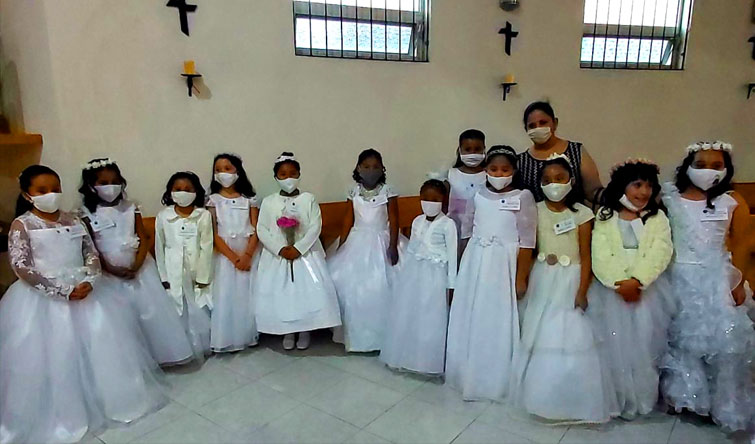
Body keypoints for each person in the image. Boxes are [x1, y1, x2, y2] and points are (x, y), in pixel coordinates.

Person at [0, 165, 166, 443]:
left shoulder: (73, 219)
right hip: (45, 299)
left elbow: (91, 254)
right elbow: (21, 266)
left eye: (55, 188)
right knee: (57, 354)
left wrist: (91, 279)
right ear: (27, 194)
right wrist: (61, 290)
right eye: (42, 190)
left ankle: (108, 402)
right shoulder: (23, 224)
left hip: (86, 292)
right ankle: (65, 414)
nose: (51, 194)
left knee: (100, 348)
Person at [511, 154, 614, 424]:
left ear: (571, 181)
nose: (553, 184)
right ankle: (541, 394)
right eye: (547, 180)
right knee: (541, 333)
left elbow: (586, 256)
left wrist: (582, 290)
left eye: (559, 178)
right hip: (543, 278)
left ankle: (571, 398)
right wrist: (522, 278)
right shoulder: (534, 209)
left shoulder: (582, 214)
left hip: (571, 280)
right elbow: (528, 246)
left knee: (570, 335)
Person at [660, 141, 754, 432]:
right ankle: (687, 397)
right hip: (679, 275)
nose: (707, 171)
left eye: (716, 166)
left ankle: (725, 402)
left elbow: (743, 243)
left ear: (726, 170)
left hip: (718, 278)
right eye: (700, 165)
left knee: (724, 342)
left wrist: (738, 281)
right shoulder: (671, 198)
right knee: (683, 339)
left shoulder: (732, 201)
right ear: (687, 167)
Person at [78, 158, 195, 366]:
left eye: (115, 181)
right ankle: (130, 361)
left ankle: (158, 355)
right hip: (107, 271)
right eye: (103, 183)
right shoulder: (85, 213)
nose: (110, 187)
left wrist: (138, 264)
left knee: (150, 312)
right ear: (91, 185)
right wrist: (110, 268)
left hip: (139, 267)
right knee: (120, 317)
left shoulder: (131, 207)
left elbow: (143, 236)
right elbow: (90, 246)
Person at [445, 145, 536, 401]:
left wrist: (521, 276)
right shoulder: (479, 195)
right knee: (474, 312)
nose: (498, 174)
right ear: (486, 170)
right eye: (493, 169)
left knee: (497, 315)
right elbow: (468, 230)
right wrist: (462, 263)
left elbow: (528, 240)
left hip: (504, 264)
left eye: (504, 170)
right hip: (477, 260)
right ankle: (467, 372)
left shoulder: (523, 197)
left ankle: (496, 377)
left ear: (514, 171)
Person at [588, 159, 673, 419]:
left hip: (646, 291)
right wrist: (618, 282)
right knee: (613, 345)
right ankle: (618, 398)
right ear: (622, 186)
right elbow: (600, 252)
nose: (644, 192)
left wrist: (638, 281)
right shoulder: (606, 215)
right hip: (612, 292)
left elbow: (661, 250)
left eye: (649, 186)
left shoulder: (657, 218)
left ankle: (642, 399)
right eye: (637, 185)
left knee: (644, 345)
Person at [255, 152, 342, 350]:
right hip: (279, 255)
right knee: (284, 294)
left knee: (306, 292)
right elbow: (262, 229)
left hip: (306, 254)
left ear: (299, 174)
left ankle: (305, 330)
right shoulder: (269, 202)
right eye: (283, 174)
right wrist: (280, 249)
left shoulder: (308, 199)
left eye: (293, 174)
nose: (289, 178)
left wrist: (299, 248)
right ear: (276, 177)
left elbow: (315, 226)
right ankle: (287, 331)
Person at [381, 179, 457, 375]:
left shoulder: (448, 224)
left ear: (443, 200)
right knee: (411, 312)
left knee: (431, 316)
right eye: (425, 198)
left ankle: (428, 361)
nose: (430, 203)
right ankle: (408, 356)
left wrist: (452, 285)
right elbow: (413, 248)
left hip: (436, 276)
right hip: (415, 273)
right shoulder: (417, 221)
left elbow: (452, 256)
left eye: (435, 199)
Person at [329, 149, 401, 352]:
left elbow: (394, 219)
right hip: (357, 240)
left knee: (384, 285)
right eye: (367, 166)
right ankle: (357, 335)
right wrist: (342, 244)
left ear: (382, 169)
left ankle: (384, 336)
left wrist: (393, 245)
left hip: (382, 239)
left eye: (376, 166)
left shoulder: (388, 191)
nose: (371, 170)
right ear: (359, 168)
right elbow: (348, 219)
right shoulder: (353, 192)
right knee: (349, 284)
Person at [155, 171, 213, 360]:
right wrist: (163, 277)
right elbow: (159, 247)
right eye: (178, 189)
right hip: (173, 270)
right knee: (178, 308)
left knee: (199, 306)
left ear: (196, 192)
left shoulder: (203, 215)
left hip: (196, 269)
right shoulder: (163, 216)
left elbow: (207, 246)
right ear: (170, 192)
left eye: (188, 189)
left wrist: (203, 276)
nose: (183, 193)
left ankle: (202, 344)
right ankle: (183, 348)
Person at [207, 153, 260, 353]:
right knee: (226, 294)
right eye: (218, 170)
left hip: (248, 250)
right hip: (225, 254)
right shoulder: (213, 200)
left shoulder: (249, 199)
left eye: (227, 168)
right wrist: (233, 258)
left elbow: (256, 228)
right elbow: (213, 233)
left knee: (247, 293)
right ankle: (226, 337)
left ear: (238, 171)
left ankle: (249, 334)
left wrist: (247, 255)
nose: (223, 173)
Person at [517, 101, 603, 205]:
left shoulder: (576, 151)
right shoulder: (521, 161)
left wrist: (615, 191)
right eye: (532, 126)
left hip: (577, 214)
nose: (538, 128)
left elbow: (593, 191)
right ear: (526, 129)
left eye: (543, 122)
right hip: (536, 215)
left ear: (555, 123)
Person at [445, 129, 487, 259]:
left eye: (477, 149)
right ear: (459, 150)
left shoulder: (489, 176)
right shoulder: (451, 175)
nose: (472, 153)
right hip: (455, 229)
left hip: (480, 230)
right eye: (468, 149)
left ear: (484, 149)